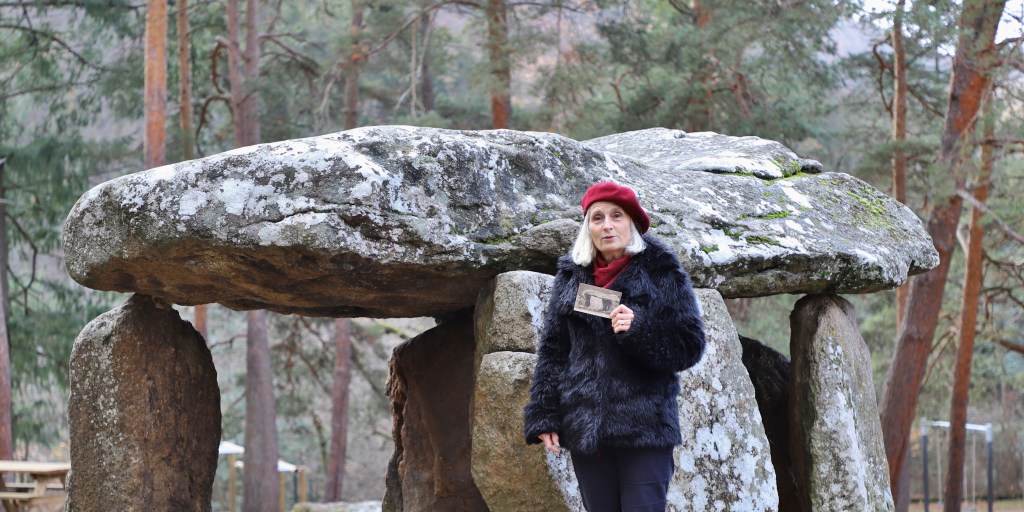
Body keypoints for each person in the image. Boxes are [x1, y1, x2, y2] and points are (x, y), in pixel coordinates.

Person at [523, 181, 706, 512]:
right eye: (597, 218)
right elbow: (553, 351)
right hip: (587, 429)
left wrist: (639, 329)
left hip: (644, 430)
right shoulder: (571, 277)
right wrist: (545, 415)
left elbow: (689, 346)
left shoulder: (661, 270)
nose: (607, 225)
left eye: (616, 216)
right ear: (588, 227)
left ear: (632, 222)